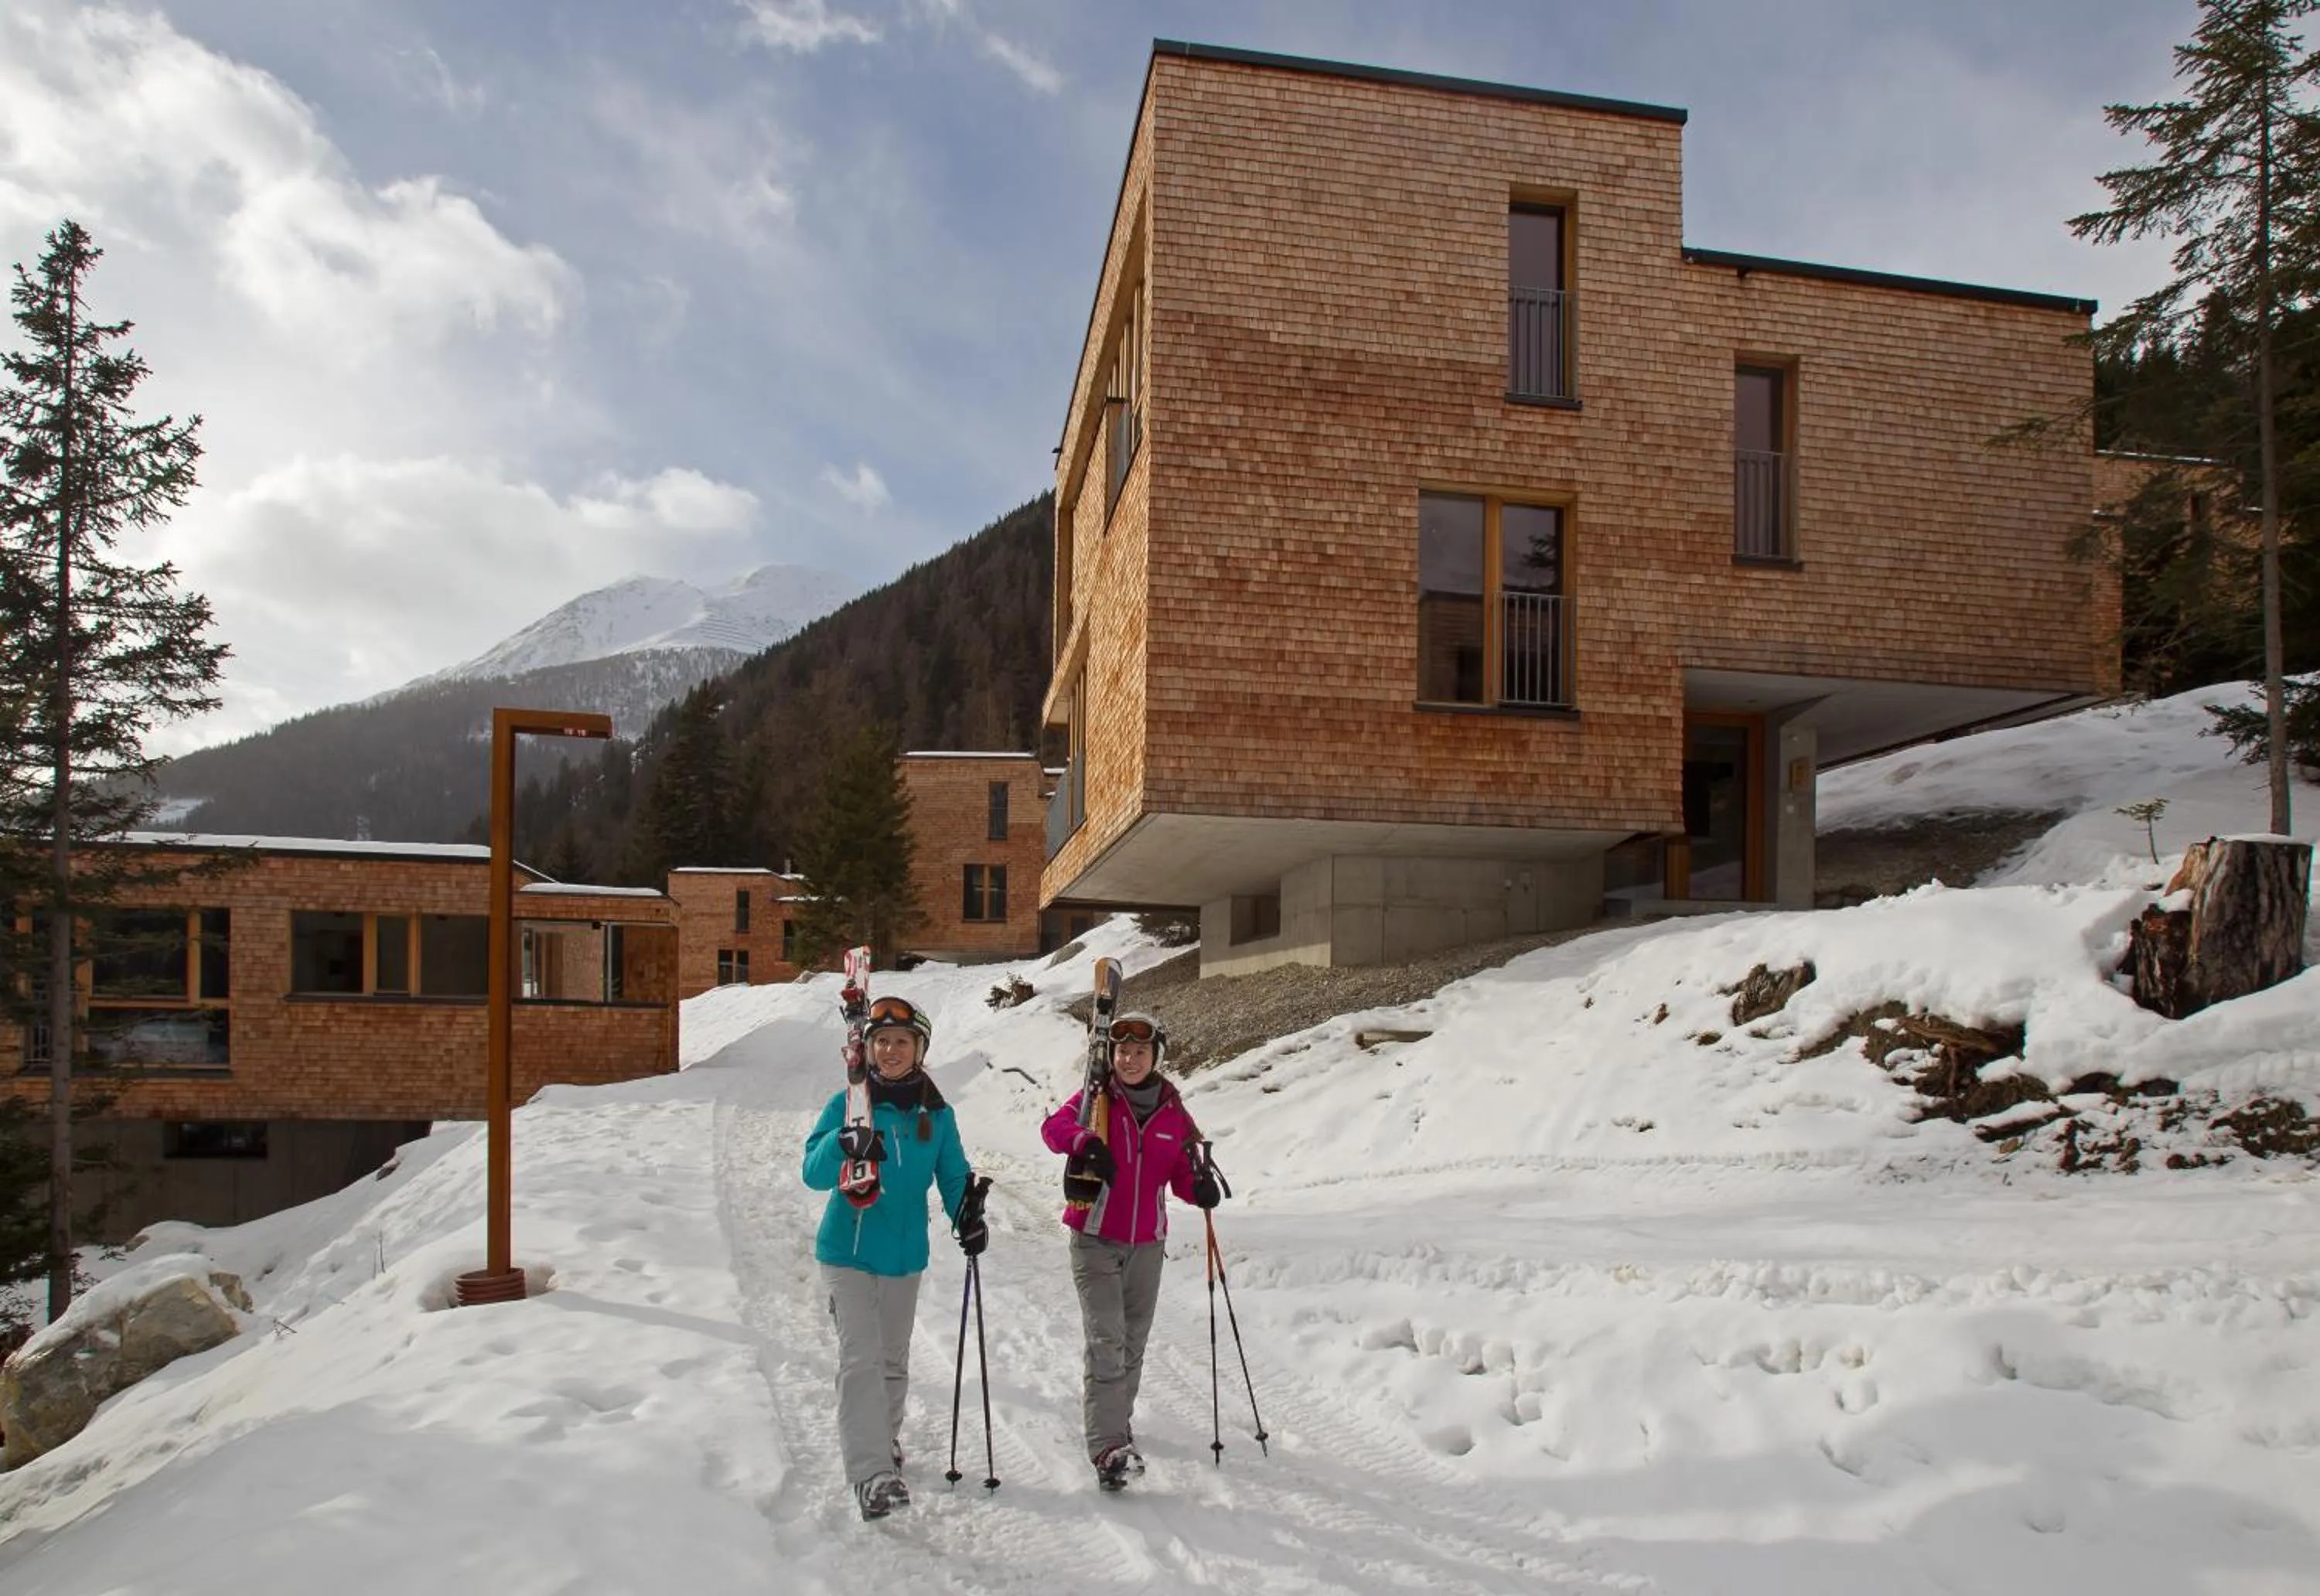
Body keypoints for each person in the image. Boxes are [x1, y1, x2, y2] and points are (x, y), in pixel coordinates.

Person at [801, 993, 983, 1521]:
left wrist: (966, 1215)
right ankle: (871, 1474)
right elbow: (812, 1173)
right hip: (848, 1252)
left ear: (919, 1048)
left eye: (901, 1041)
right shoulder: (847, 1104)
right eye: (880, 1040)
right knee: (860, 1360)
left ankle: (884, 1442)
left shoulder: (937, 1113)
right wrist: (843, 1141)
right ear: (868, 1047)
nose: (890, 1050)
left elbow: (952, 1175)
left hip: (905, 1256)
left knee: (891, 1363)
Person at [1041, 1009, 1226, 1491]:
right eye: (1121, 1050)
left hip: (1147, 1243)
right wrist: (1085, 1141)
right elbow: (1054, 1128)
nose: (1129, 1058)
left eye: (1140, 1051)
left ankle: (1118, 1427)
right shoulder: (1098, 1099)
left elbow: (1182, 1174)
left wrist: (1200, 1189)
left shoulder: (1173, 1111)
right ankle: (1106, 1448)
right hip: (1095, 1236)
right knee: (1107, 1339)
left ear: (1155, 1056)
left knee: (1132, 1343)